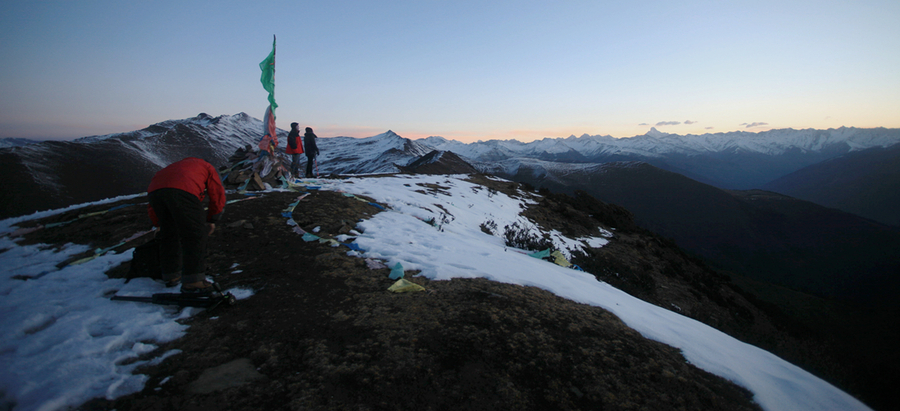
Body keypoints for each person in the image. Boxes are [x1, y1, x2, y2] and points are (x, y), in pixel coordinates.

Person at [147, 157, 226, 294]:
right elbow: (217, 192)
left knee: (169, 233)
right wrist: (212, 219)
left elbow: (152, 205)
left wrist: (158, 224)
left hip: (155, 191)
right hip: (184, 190)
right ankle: (194, 280)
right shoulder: (207, 167)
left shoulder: (172, 167)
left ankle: (171, 274)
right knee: (195, 234)